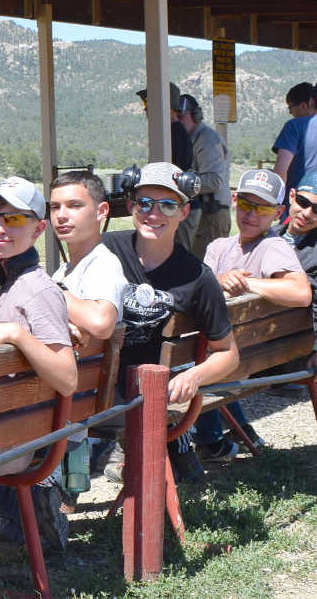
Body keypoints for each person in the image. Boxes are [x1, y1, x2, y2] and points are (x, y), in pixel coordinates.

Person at [101, 162, 239, 483]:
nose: (154, 213)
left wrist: (195, 375)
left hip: (140, 396)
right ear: (132, 206)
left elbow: (228, 353)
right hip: (93, 384)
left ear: (184, 211)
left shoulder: (198, 277)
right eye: (144, 203)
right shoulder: (104, 251)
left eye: (167, 204)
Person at [0, 176, 79, 551]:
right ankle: (17, 514)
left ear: (38, 229)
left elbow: (67, 377)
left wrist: (17, 334)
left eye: (13, 220)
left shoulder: (37, 290)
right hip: (8, 426)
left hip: (13, 440)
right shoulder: (6, 283)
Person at [194, 170, 310, 460]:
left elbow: (301, 292)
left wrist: (245, 283)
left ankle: (205, 441)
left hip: (225, 358)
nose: (252, 214)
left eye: (263, 209)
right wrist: (218, 282)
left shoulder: (272, 246)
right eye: (246, 204)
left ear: (278, 213)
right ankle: (238, 428)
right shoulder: (219, 247)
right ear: (234, 200)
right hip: (235, 353)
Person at [44, 170, 127, 510]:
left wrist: (51, 294)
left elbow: (101, 321)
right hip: (74, 394)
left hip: (81, 397)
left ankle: (63, 490)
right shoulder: (66, 270)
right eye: (55, 207)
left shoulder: (103, 266)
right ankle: (67, 487)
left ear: (101, 211)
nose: (62, 215)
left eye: (74, 205)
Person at [271, 171, 317, 405]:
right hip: (259, 349)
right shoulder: (268, 236)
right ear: (291, 196)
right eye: (303, 202)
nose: (307, 213)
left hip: (275, 356)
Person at [175, 94, 231, 257]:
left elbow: (214, 181)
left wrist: (180, 183)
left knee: (208, 269)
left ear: (195, 116)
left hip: (212, 214)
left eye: (181, 116)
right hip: (201, 212)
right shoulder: (189, 138)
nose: (178, 120)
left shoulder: (207, 138)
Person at [272, 80, 317, 208]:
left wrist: (275, 205)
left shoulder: (294, 126)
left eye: (290, 108)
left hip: (297, 208)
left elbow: (280, 171)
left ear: (311, 102)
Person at [136, 82, 193, 172]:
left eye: (148, 103)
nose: (146, 109)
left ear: (164, 105)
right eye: (145, 103)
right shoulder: (172, 132)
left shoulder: (173, 135)